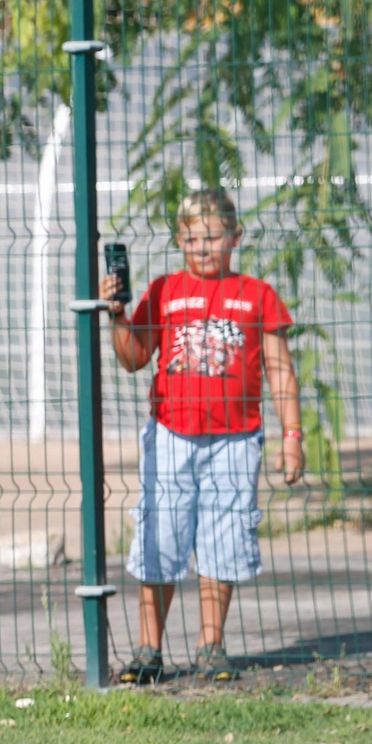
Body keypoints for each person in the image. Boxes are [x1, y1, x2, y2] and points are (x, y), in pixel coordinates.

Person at [104, 189, 303, 685]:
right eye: (192, 239)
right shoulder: (165, 290)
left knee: (223, 540)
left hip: (235, 441)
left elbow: (280, 371)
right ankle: (149, 650)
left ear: (235, 237)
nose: (202, 248)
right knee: (161, 536)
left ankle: (210, 647)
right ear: (179, 240)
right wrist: (117, 315)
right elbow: (133, 358)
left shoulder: (258, 295)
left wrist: (292, 435)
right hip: (171, 436)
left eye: (213, 238)